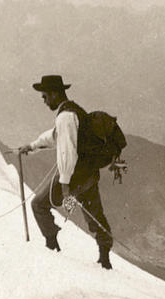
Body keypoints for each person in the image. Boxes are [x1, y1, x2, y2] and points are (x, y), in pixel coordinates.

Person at [18, 75, 113, 270]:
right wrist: (32, 146)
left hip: (74, 177)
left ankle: (52, 249)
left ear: (54, 94)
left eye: (45, 96)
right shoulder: (72, 110)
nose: (44, 101)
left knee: (38, 204)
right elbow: (55, 136)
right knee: (94, 215)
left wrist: (65, 185)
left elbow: (66, 151)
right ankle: (105, 259)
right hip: (89, 175)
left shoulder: (65, 117)